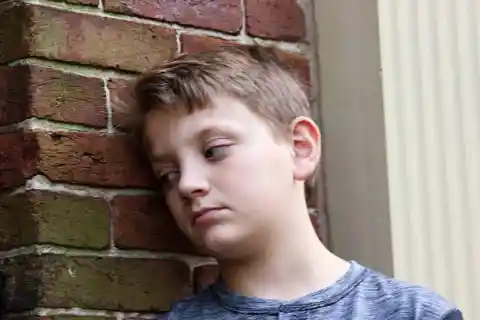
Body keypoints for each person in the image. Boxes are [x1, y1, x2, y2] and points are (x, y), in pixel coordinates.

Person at [120, 44, 463, 319]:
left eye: (214, 151)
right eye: (169, 175)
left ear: (300, 148)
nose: (187, 185)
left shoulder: (412, 313)